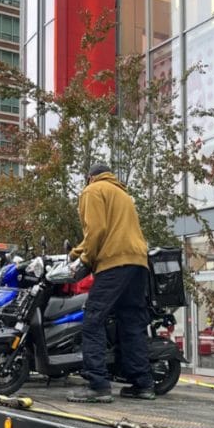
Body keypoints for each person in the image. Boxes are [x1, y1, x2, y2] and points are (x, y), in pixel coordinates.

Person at [66, 163, 153, 403]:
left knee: (93, 319)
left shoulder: (92, 191)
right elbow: (109, 231)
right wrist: (76, 252)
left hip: (113, 263)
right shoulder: (122, 194)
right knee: (131, 322)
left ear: (89, 178)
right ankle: (143, 384)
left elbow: (97, 230)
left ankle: (98, 385)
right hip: (138, 263)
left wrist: (83, 260)